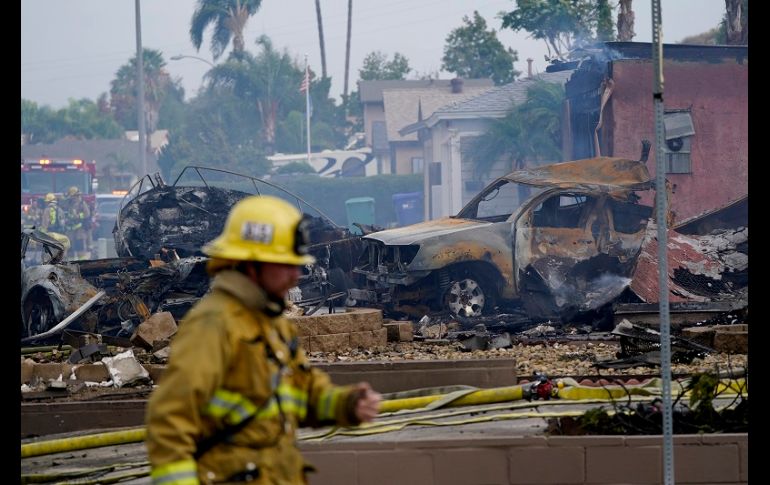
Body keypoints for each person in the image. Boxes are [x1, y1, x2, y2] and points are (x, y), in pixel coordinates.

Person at [145, 195, 381, 484]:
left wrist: (346, 404)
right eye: (285, 264)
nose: (296, 276)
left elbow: (301, 394)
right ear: (251, 264)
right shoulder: (214, 325)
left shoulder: (271, 323)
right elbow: (170, 423)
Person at [62, 186, 92, 259]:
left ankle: (82, 264)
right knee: (70, 248)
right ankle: (71, 263)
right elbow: (65, 211)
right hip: (70, 230)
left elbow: (87, 214)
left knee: (80, 248)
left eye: (72, 196)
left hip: (79, 230)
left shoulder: (82, 203)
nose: (72, 198)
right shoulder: (69, 203)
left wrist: (78, 216)